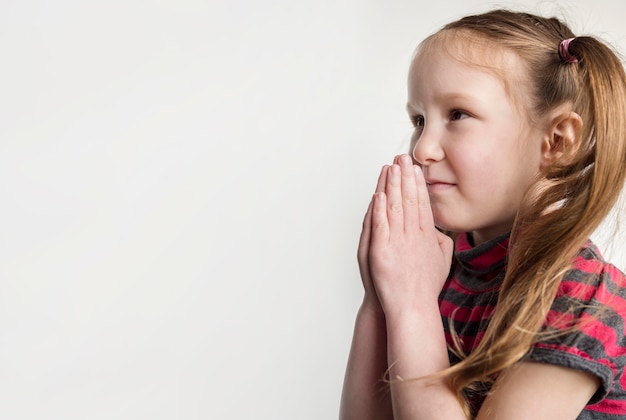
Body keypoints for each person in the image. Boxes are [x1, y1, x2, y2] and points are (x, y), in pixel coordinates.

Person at [339, 9, 626, 420]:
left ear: (557, 142)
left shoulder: (583, 296)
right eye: (419, 120)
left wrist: (412, 304)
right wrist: (379, 302)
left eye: (458, 115)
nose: (421, 149)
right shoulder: (437, 268)